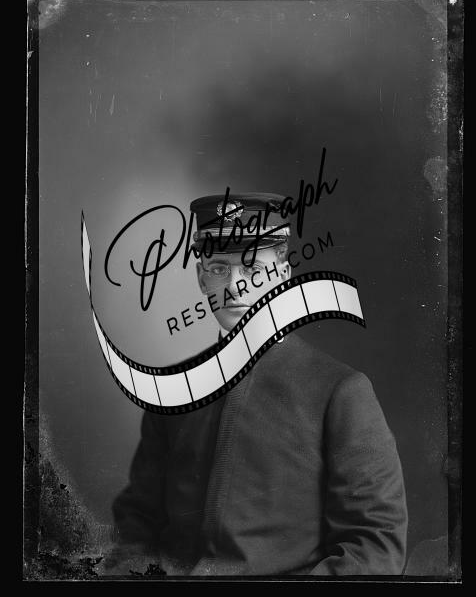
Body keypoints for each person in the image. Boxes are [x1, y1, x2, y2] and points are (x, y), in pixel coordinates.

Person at [106, 193, 408, 576]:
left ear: (282, 275)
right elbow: (136, 524)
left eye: (253, 268)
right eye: (219, 268)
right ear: (201, 279)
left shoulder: (340, 391)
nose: (234, 286)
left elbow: (375, 545)